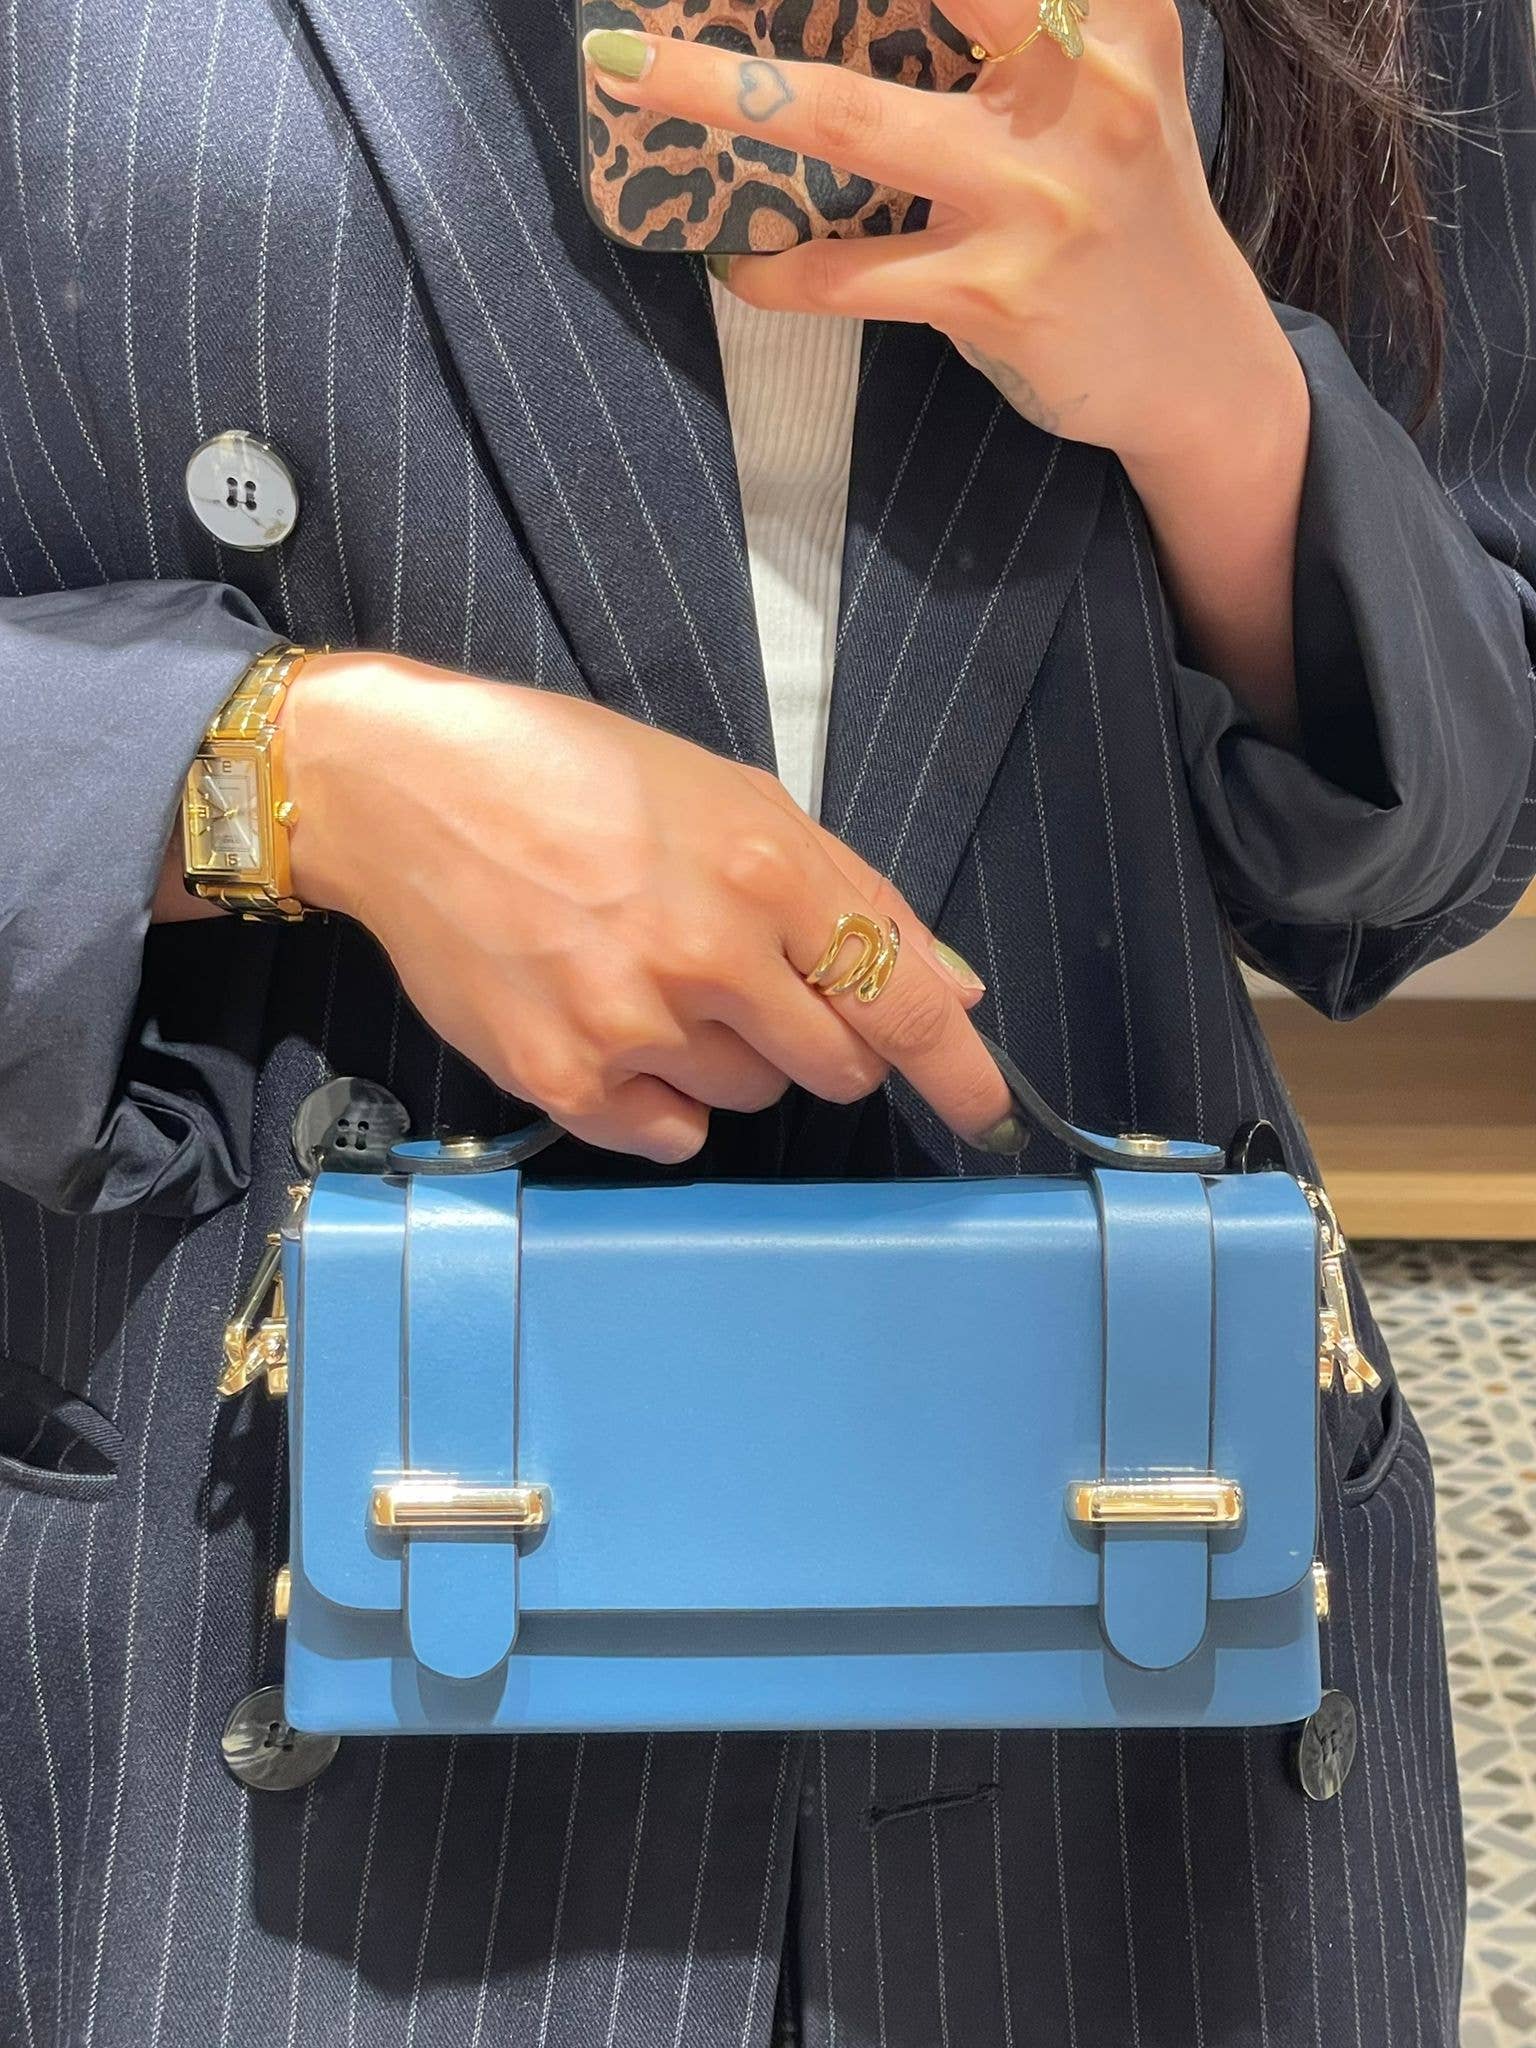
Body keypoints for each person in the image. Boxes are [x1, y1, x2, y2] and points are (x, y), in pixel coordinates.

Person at [1, 0, 1531, 2037]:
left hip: (1127, 1670)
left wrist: (1231, 424)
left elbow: (1445, 842)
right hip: (289, 1638)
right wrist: (290, 771)